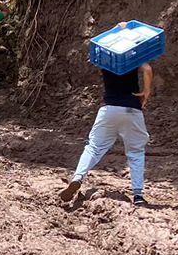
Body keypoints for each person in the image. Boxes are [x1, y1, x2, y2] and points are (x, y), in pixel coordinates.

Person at [61, 59, 153, 206]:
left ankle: (77, 177)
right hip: (132, 108)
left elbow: (93, 60)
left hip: (108, 110)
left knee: (93, 148)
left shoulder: (105, 59)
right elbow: (147, 69)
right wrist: (146, 92)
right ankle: (138, 195)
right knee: (135, 152)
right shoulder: (132, 58)